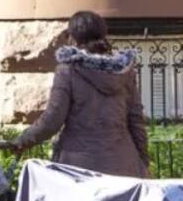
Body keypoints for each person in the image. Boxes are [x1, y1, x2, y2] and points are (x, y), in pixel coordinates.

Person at [12, 10, 150, 178]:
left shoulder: (68, 70)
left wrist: (23, 140)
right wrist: (143, 162)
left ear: (74, 38)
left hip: (78, 168)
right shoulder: (125, 72)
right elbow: (136, 121)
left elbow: (53, 120)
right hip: (124, 165)